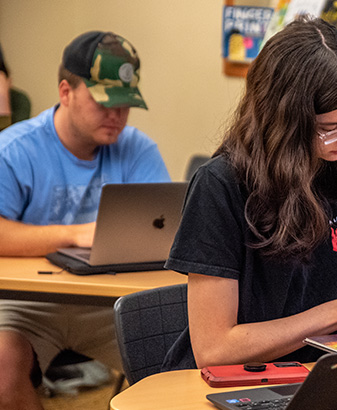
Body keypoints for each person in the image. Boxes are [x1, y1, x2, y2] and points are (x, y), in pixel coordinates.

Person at [161, 17, 337, 371]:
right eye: (330, 128)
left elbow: (325, 325)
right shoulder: (220, 185)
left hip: (315, 376)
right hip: (219, 386)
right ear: (284, 122)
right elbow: (214, 350)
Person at [0, 31, 169, 410]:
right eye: (104, 103)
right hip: (29, 304)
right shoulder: (14, 150)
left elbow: (165, 228)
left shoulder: (139, 149)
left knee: (181, 368)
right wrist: (76, 235)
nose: (116, 116)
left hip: (115, 300)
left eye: (125, 104)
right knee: (2, 374)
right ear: (66, 91)